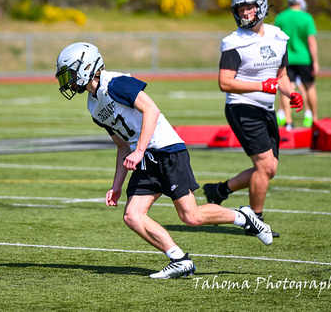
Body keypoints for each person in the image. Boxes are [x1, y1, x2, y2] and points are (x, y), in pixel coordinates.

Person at [55, 41, 273, 280]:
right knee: (132, 215)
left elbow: (151, 110)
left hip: (167, 150)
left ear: (87, 66)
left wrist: (138, 151)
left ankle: (244, 217)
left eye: (71, 73)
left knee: (191, 216)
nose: (68, 80)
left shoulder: (115, 83)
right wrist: (117, 185)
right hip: (145, 155)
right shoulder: (92, 105)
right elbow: (121, 145)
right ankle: (179, 259)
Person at [202, 0, 303, 238]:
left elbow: (280, 75)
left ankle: (220, 191)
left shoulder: (279, 37)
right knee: (265, 165)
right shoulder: (234, 43)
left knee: (269, 169)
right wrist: (261, 85)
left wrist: (291, 94)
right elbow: (225, 82)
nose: (245, 13)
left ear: (262, 7)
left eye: (249, 8)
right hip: (241, 107)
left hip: (266, 109)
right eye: (241, 9)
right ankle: (255, 220)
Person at [274, 0, 319, 130]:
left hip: (286, 59)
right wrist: (316, 62)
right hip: (304, 58)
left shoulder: (281, 17)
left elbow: (275, 39)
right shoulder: (306, 17)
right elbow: (311, 41)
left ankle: (288, 120)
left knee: (287, 89)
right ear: (300, 0)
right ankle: (315, 119)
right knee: (310, 87)